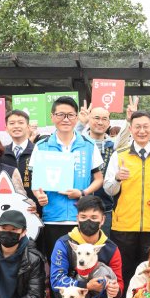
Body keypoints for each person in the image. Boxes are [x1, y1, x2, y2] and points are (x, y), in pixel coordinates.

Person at [35, 195, 123, 298]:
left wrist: (116, 289)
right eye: (83, 216)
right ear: (77, 219)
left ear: (103, 220)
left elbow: (119, 282)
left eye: (94, 217)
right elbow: (56, 280)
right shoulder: (63, 243)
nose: (88, 221)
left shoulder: (111, 248)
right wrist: (86, 285)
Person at [29, 96, 104, 257]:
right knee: (56, 263)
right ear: (52, 117)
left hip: (82, 217)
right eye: (61, 114)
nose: (66, 119)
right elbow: (36, 182)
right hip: (52, 217)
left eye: (70, 115)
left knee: (82, 265)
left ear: (76, 117)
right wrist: (39, 195)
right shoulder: (42, 147)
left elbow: (98, 178)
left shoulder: (88, 145)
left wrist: (82, 193)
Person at [103, 111, 150, 286]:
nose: (142, 131)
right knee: (125, 271)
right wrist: (117, 178)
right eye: (137, 127)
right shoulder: (119, 154)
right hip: (123, 225)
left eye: (146, 126)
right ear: (130, 129)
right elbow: (108, 188)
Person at [73, 105, 116, 234]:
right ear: (89, 119)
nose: (100, 122)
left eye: (104, 119)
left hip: (106, 208)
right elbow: (68, 138)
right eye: (96, 118)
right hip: (79, 206)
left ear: (108, 123)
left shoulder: (114, 147)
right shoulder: (78, 144)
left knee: (103, 249)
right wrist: (80, 124)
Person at [0, 109, 37, 203]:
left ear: (28, 127)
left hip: (36, 208)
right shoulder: (0, 153)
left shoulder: (38, 151)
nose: (16, 126)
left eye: (21, 123)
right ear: (6, 128)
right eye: (12, 123)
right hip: (7, 207)